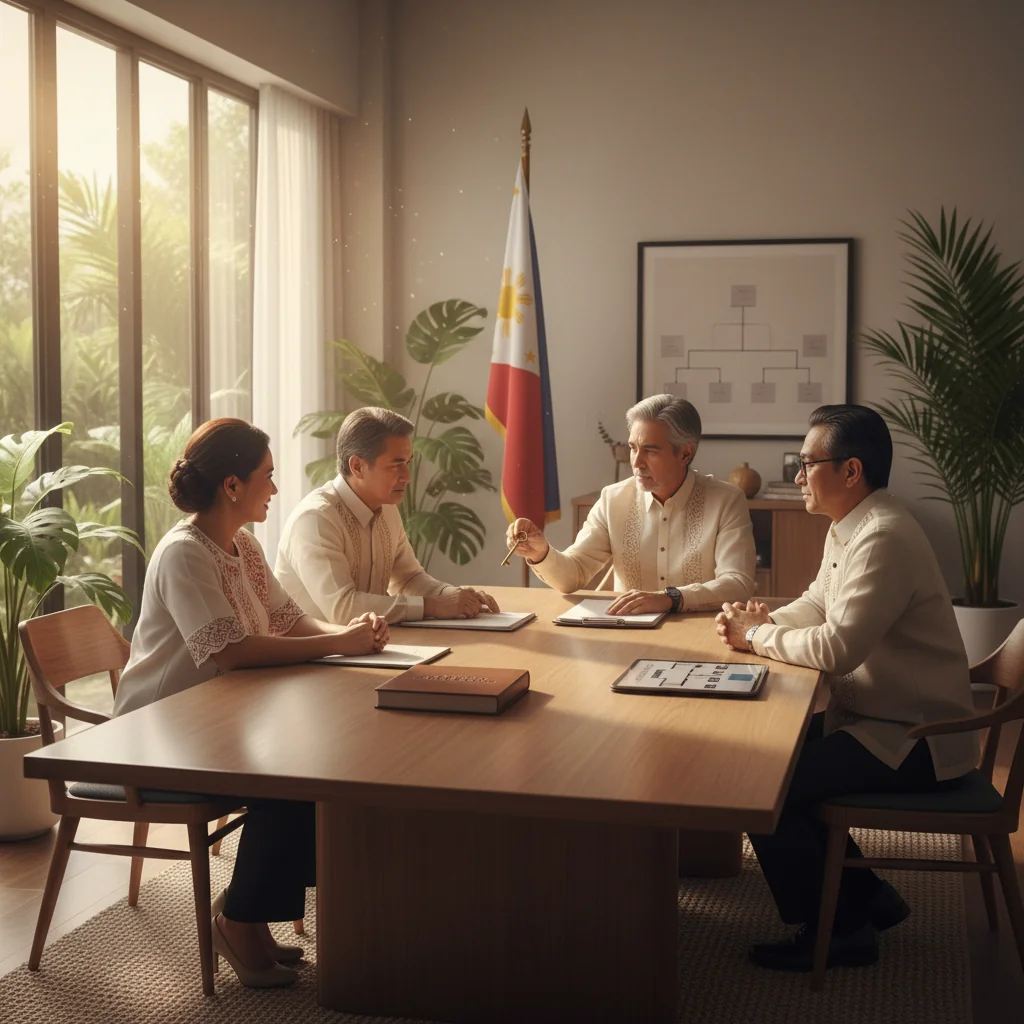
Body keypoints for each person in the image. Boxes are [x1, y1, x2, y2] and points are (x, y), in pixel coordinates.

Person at [113, 418, 390, 989]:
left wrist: (348, 642)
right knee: (293, 784)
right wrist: (337, 644)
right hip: (158, 733)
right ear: (232, 485)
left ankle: (248, 915)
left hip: (216, 719)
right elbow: (231, 653)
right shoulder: (184, 554)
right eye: (267, 475)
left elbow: (290, 621)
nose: (275, 487)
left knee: (319, 772)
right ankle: (239, 921)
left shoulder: (243, 545)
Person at [715, 405, 978, 972]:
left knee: (769, 784)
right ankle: (866, 896)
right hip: (879, 720)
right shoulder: (852, 523)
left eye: (809, 464)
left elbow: (837, 649)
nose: (800, 475)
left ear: (851, 470)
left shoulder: (883, 536)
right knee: (772, 759)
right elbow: (818, 601)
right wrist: (763, 622)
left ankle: (841, 932)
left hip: (919, 739)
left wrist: (757, 635)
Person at [505, 394, 755, 614]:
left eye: (651, 451)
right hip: (628, 636)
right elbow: (574, 575)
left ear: (685, 454)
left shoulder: (727, 501)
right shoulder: (612, 500)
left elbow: (737, 583)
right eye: (633, 448)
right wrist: (540, 553)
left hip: (704, 634)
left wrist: (670, 599)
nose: (636, 463)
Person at [275, 406, 499, 624]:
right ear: (357, 467)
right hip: (313, 658)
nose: (407, 477)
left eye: (408, 463)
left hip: (368, 651)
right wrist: (433, 606)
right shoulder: (316, 519)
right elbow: (343, 609)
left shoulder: (386, 508)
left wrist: (455, 597)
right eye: (396, 465)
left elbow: (408, 578)